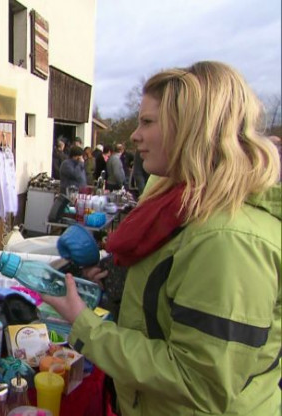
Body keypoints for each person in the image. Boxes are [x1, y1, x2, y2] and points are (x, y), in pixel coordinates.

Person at [42, 61, 281, 415]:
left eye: (148, 122)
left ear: (190, 128)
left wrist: (85, 326)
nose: (135, 135)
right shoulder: (180, 208)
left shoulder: (228, 239)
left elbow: (198, 382)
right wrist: (115, 283)